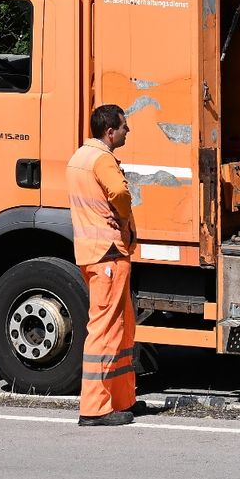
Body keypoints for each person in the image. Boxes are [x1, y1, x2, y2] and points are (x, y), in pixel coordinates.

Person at [67, 103, 139, 426]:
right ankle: (95, 408)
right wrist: (124, 219)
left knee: (120, 328)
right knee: (106, 330)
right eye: (124, 127)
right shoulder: (102, 160)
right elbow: (121, 194)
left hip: (93, 253)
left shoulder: (79, 158)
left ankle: (120, 399)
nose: (128, 131)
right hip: (108, 252)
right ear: (110, 132)